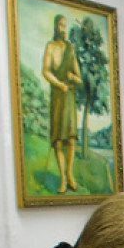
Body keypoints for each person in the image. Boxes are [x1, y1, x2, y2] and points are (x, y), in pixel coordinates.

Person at [42, 14, 82, 194]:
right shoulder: (50, 47)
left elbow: (79, 77)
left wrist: (72, 77)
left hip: (69, 98)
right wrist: (59, 84)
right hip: (58, 97)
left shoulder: (70, 48)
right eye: (60, 25)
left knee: (71, 139)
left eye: (65, 26)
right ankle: (63, 179)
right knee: (58, 141)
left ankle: (70, 174)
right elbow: (46, 71)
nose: (63, 29)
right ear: (55, 27)